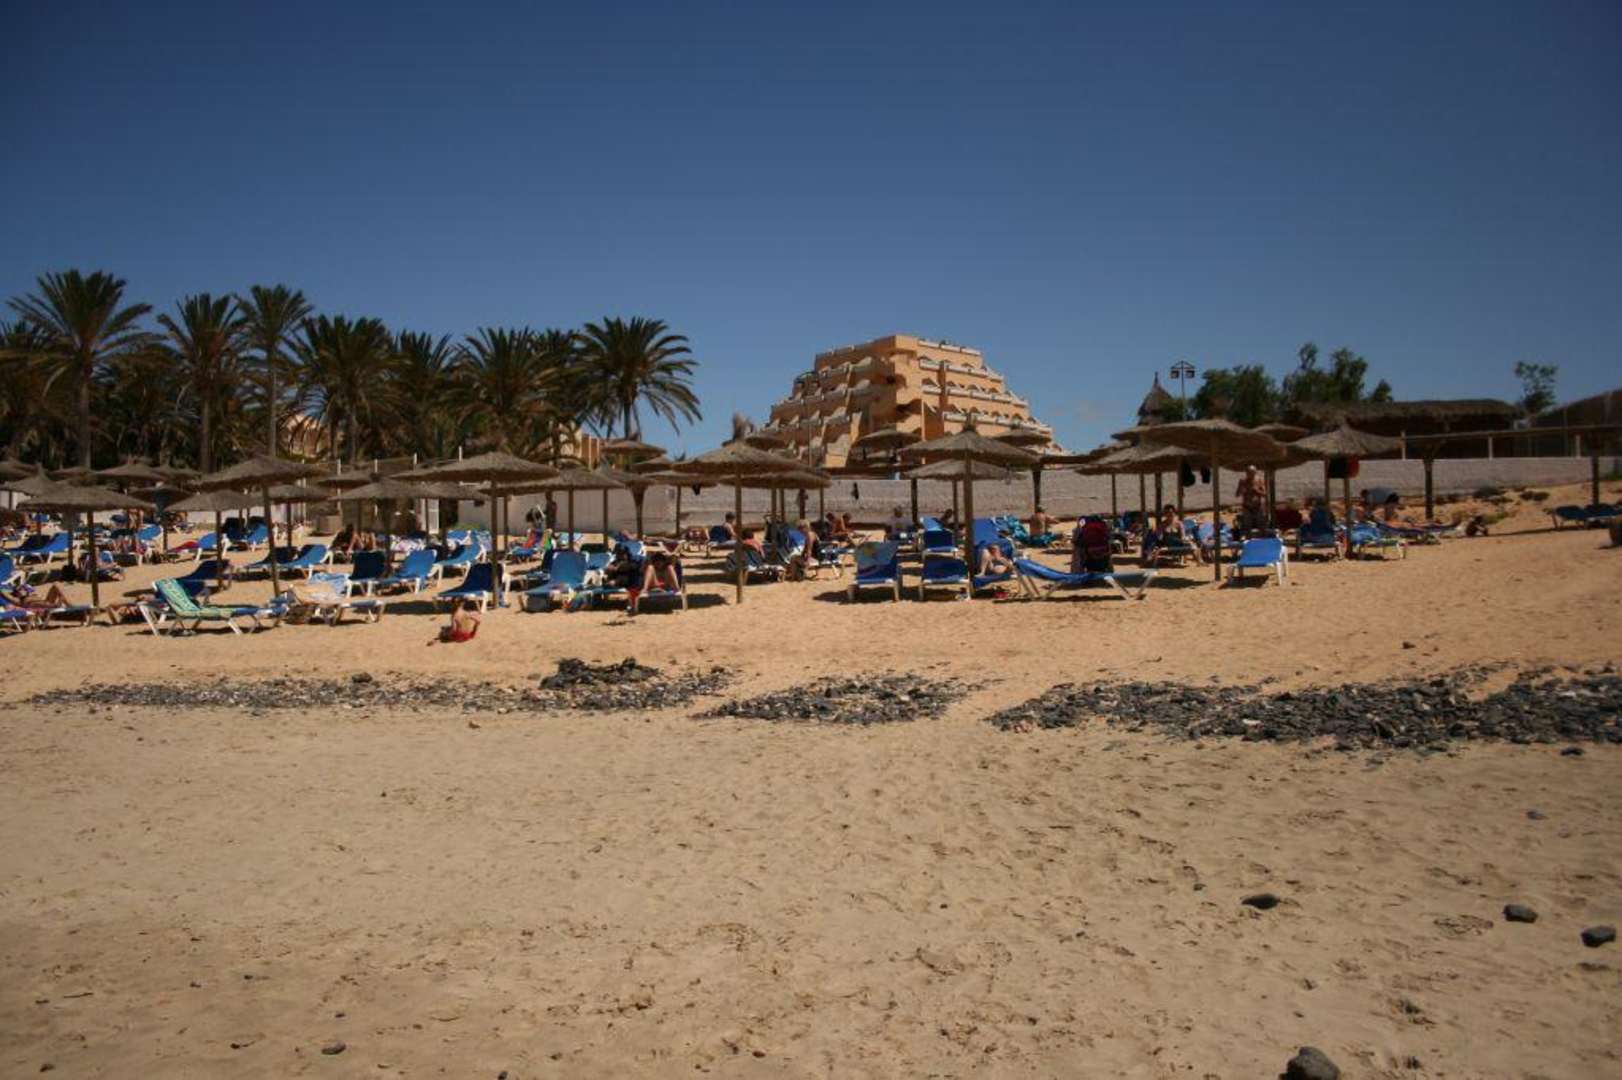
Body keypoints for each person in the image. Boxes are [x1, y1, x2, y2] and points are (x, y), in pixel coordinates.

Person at [1235, 466, 1268, 534]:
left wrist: (1256, 491)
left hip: (1258, 506)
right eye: (1248, 473)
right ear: (1246, 473)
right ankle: (1248, 538)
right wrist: (1241, 491)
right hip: (1247, 507)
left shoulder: (1259, 480)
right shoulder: (1242, 481)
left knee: (1261, 525)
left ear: (1255, 472)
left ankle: (1262, 538)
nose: (1250, 475)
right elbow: (1237, 494)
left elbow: (1265, 494)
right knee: (1247, 526)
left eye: (1252, 473)